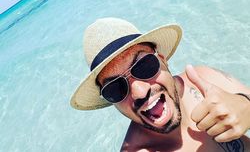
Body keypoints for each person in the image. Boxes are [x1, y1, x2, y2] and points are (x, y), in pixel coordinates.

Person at [70, 17, 250, 151]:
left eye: (143, 66)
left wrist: (246, 106)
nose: (139, 92)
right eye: (115, 89)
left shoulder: (204, 80)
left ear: (163, 60)